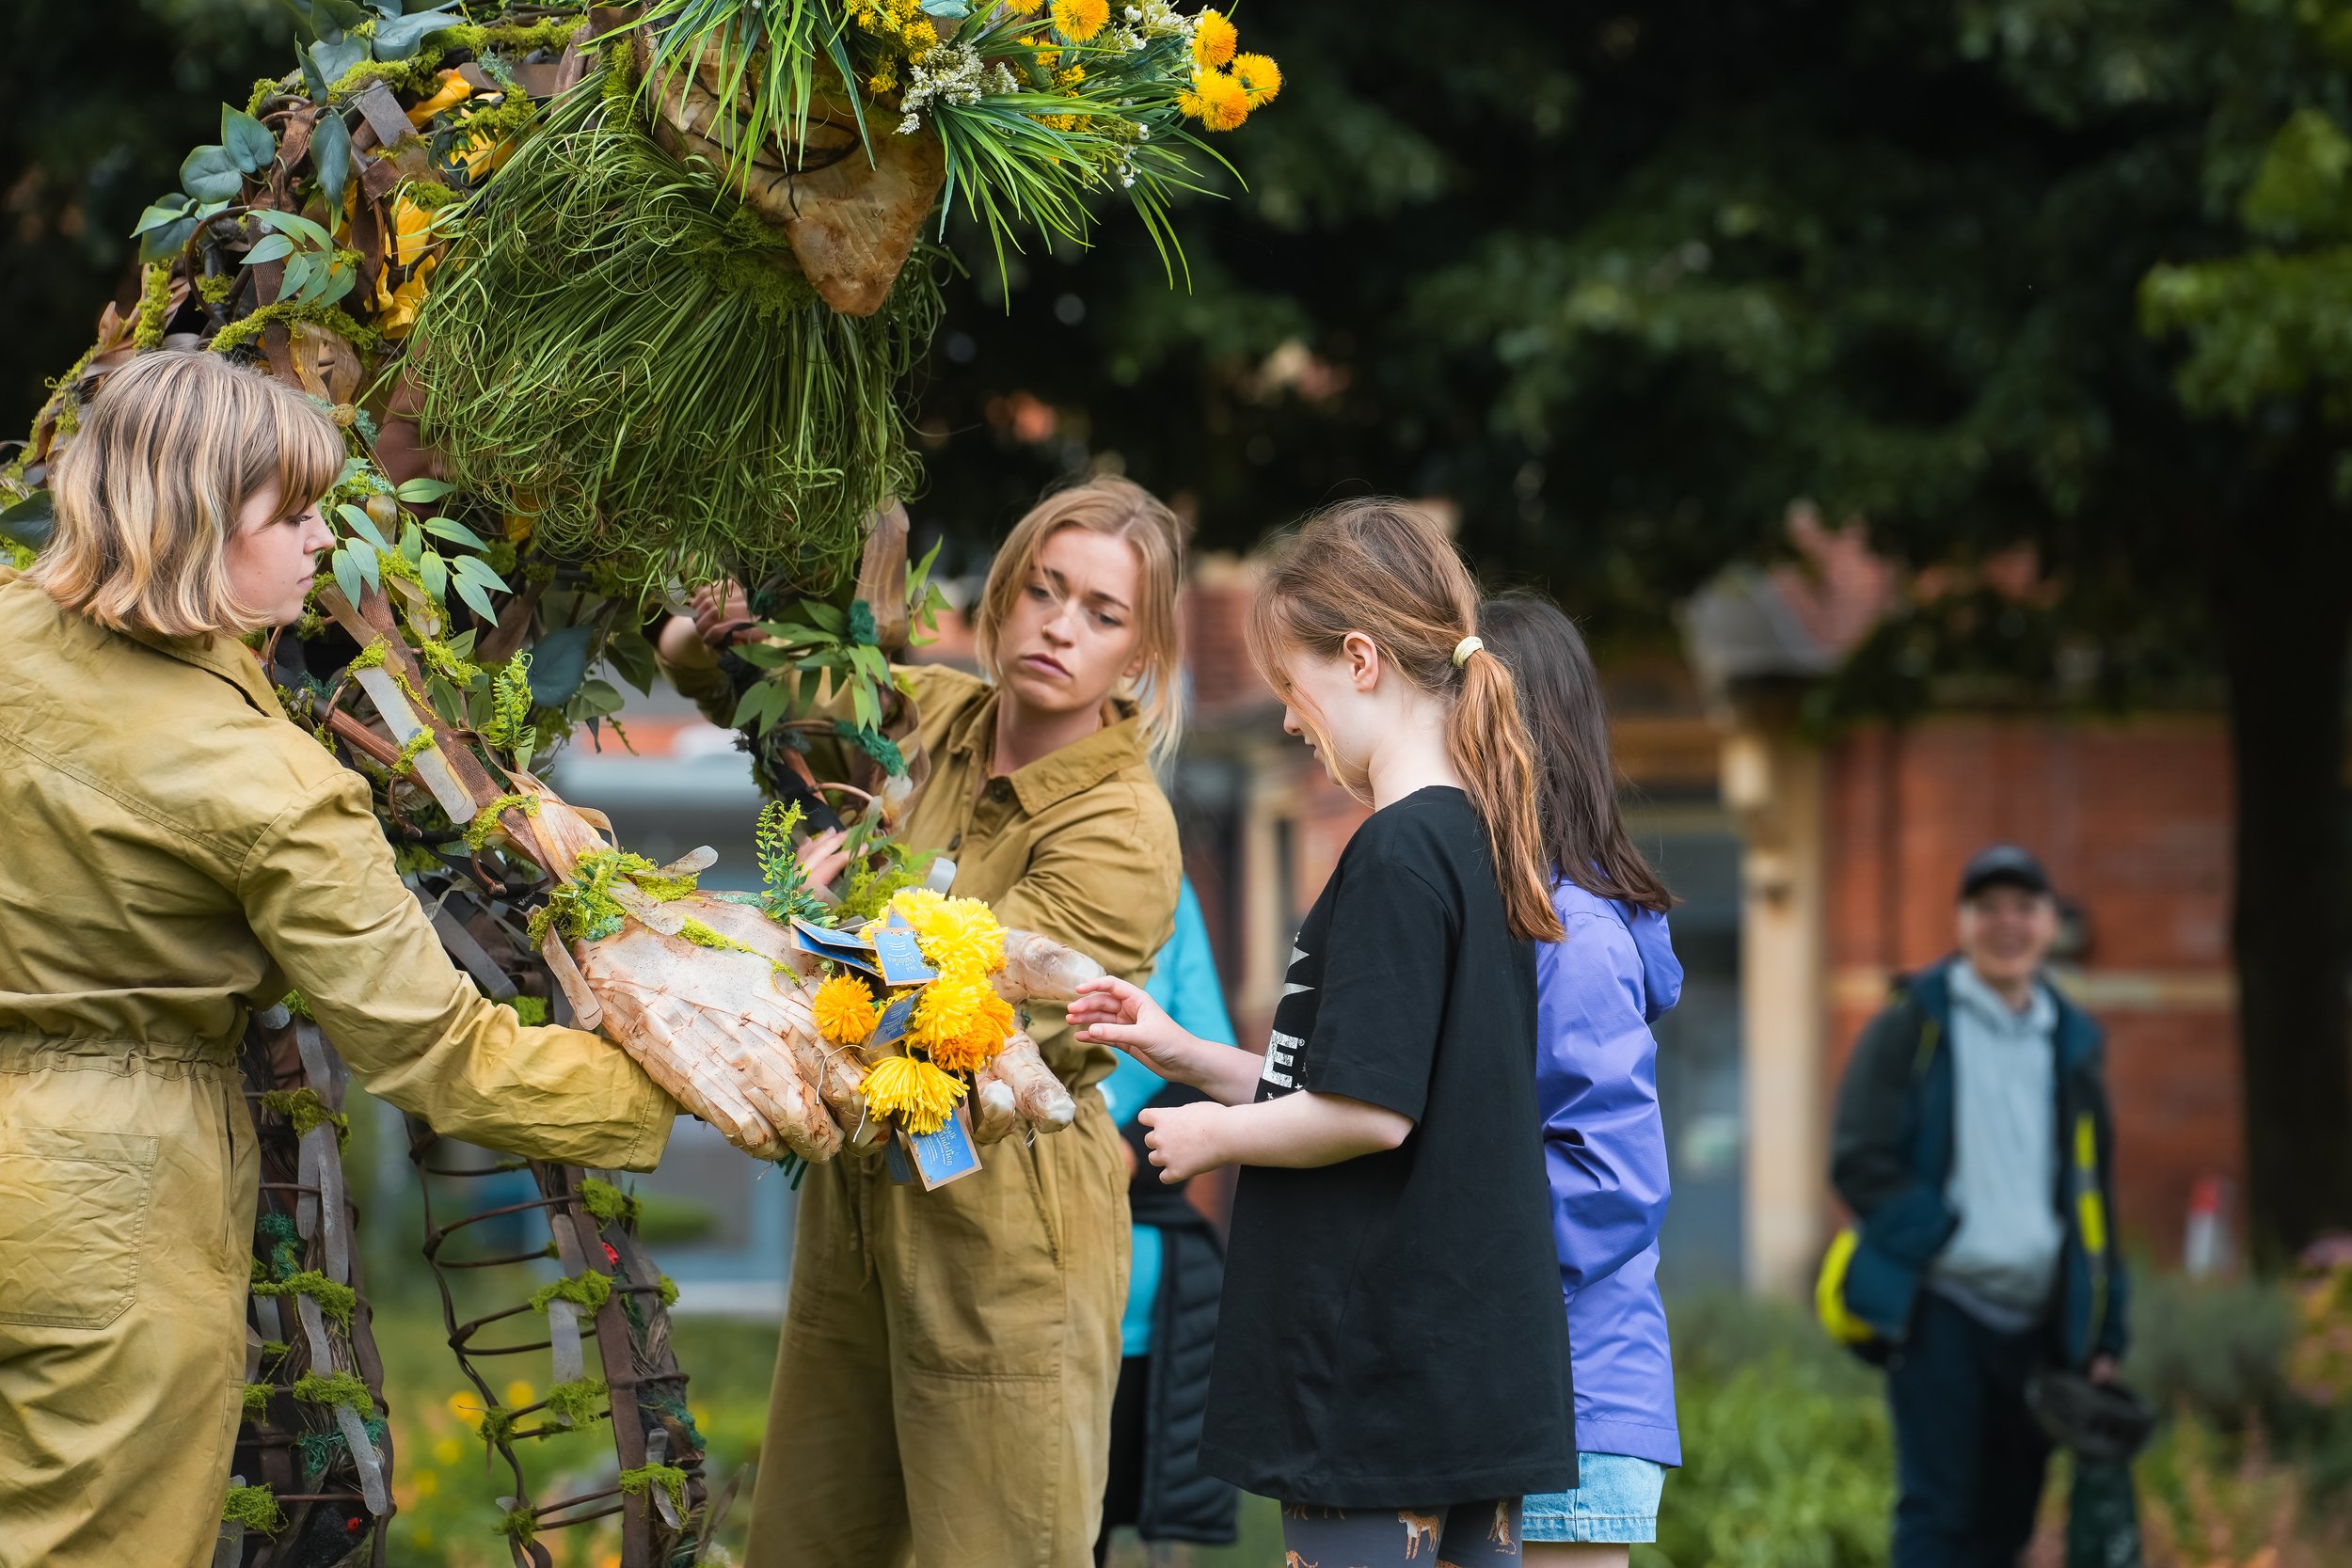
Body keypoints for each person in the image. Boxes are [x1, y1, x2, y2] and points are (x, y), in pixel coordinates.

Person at [0, 351, 681, 1568]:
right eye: (297, 512)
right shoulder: (266, 782)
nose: (326, 539)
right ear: (202, 521)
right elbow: (433, 1047)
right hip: (117, 1205)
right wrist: (666, 1088)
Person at [660, 475, 1186, 1568]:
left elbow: (969, 1018)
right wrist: (711, 632)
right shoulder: (931, 712)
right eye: (1042, 589)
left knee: (999, 1543)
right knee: (813, 1541)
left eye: (1101, 612)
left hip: (1005, 1216)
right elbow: (745, 683)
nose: (1057, 625)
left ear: (1139, 656)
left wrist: (828, 916)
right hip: (862, 1202)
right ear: (1001, 595)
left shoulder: (1123, 828)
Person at [1070, 499, 1575, 1568]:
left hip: (1380, 1371)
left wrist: (1210, 1137)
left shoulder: (1396, 851)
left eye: (1292, 690)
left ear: (1359, 660)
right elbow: (1365, 1077)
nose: (1291, 721)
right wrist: (1188, 1056)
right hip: (1464, 1373)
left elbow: (1368, 1113)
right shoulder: (1472, 841)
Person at [1829, 845, 2129, 1568]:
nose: (2006, 923)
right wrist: (1945, 1237)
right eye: (1987, 907)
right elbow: (1858, 1159)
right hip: (1942, 1312)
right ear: (1961, 921)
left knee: (2009, 1523)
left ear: (2050, 923)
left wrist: (2105, 1333)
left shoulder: (2075, 1044)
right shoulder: (1913, 1024)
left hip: (2039, 1327)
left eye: (2024, 907)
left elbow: (2095, 1204)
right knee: (1937, 1517)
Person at [1479, 594, 1682, 1567]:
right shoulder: (1516, 918)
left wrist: (1454, 1273)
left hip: (1574, 1411)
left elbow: (1614, 1180)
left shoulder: (1578, 938)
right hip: (1524, 1396)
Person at [1094, 877, 1242, 1564]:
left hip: (1146, 1277)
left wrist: (1122, 1150)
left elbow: (1204, 1056)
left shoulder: (1164, 885)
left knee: (1145, 1523)